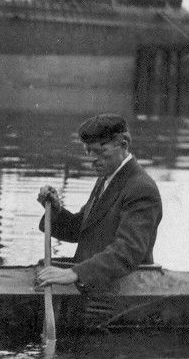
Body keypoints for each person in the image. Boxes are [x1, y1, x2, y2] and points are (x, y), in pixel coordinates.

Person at [35, 113, 161, 293]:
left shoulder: (141, 188)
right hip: (95, 286)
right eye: (88, 151)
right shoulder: (108, 177)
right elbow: (83, 229)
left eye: (101, 152)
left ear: (123, 145)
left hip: (122, 294)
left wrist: (75, 273)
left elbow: (128, 251)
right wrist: (55, 211)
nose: (92, 159)